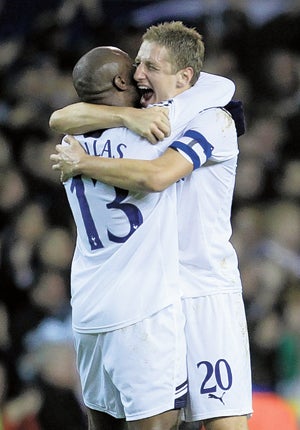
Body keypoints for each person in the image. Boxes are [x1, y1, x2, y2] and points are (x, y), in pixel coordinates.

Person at [50, 21, 252, 430]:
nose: (139, 75)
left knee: (223, 424)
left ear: (185, 78)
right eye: (137, 63)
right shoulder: (143, 119)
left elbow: (159, 172)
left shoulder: (211, 117)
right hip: (153, 296)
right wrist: (127, 115)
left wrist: (84, 160)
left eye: (151, 66)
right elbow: (61, 115)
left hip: (203, 290)